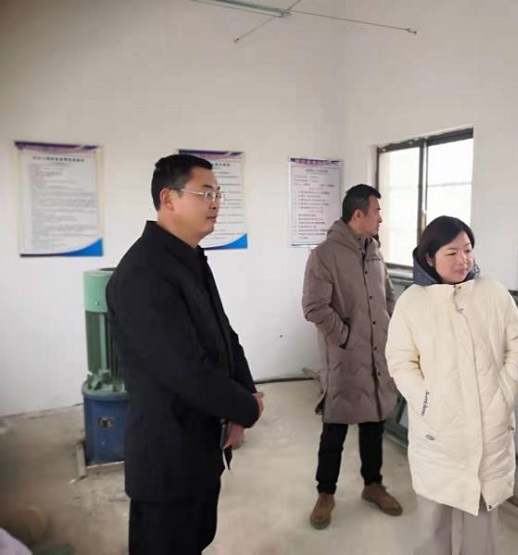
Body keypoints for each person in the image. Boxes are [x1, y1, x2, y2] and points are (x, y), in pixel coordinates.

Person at [107, 154, 264, 555]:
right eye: (205, 193)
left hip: (201, 445)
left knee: (197, 539)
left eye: (218, 194)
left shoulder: (189, 258)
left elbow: (224, 334)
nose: (216, 203)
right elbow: (186, 370)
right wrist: (246, 407)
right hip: (167, 458)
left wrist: (245, 391)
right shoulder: (143, 273)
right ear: (168, 198)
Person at [386, 216, 518, 555]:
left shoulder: (493, 293)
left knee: (482, 528)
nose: (463, 260)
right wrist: (427, 402)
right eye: (451, 253)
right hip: (439, 434)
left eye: (467, 250)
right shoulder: (412, 303)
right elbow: (401, 361)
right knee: (433, 526)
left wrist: (505, 394)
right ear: (429, 257)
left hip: (489, 431)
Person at [302, 183, 402, 530]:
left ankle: (373, 485)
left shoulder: (374, 250)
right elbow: (314, 307)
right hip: (345, 358)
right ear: (358, 214)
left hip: (377, 355)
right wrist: (346, 337)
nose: (381, 218)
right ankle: (325, 493)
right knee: (335, 428)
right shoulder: (325, 255)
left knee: (374, 424)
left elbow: (387, 294)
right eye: (377, 211)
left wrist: (387, 329)